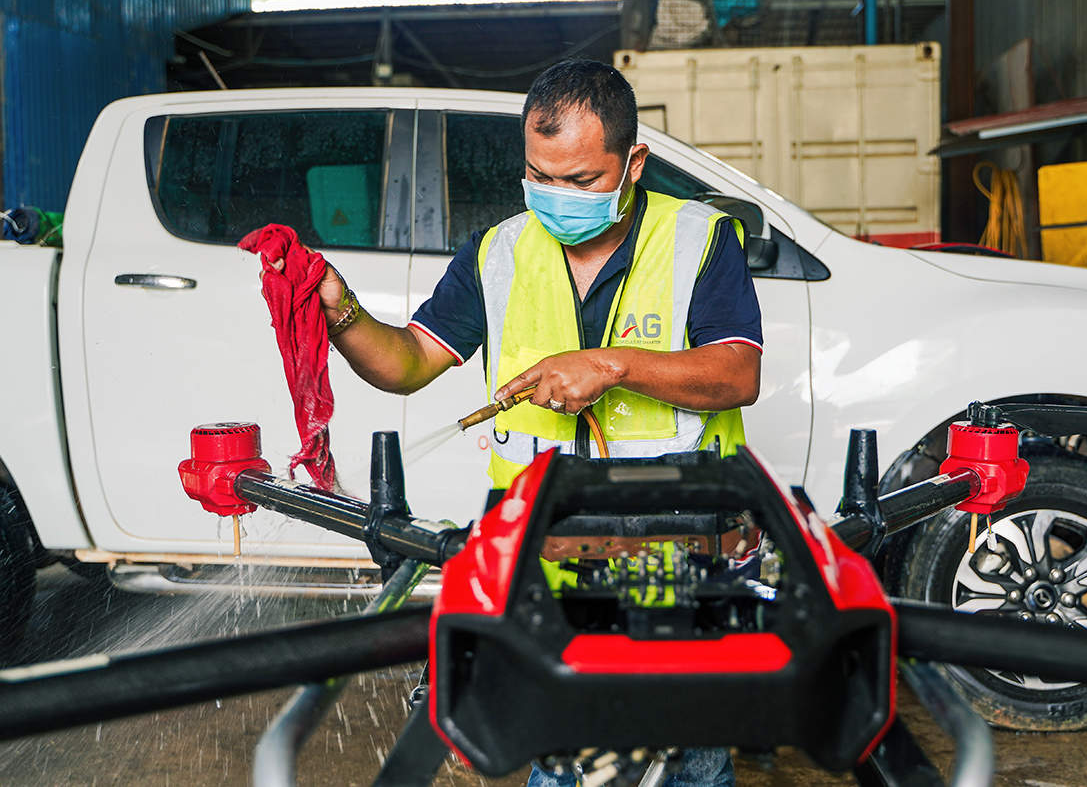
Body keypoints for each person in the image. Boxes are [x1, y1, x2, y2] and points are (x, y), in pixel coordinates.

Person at [312, 60, 762, 786]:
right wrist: (342, 311)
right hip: (546, 571)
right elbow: (406, 362)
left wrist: (611, 364)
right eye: (538, 175)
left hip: (675, 561)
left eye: (581, 181)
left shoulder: (699, 240)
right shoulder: (498, 253)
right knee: (566, 761)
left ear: (633, 162)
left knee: (687, 759)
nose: (556, 196)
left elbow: (737, 374)